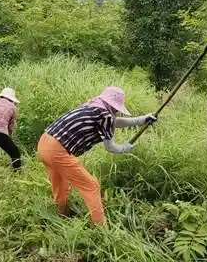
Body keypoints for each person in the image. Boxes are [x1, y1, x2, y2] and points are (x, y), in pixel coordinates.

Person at [37, 87, 156, 225]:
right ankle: (100, 228)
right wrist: (125, 148)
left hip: (44, 143)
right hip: (57, 150)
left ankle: (61, 214)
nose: (117, 112)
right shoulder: (104, 115)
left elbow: (113, 122)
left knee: (60, 184)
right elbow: (110, 147)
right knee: (91, 186)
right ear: (112, 106)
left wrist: (141, 120)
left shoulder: (93, 108)